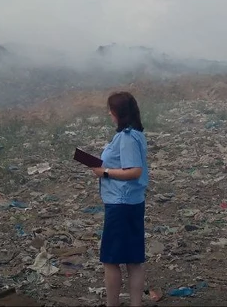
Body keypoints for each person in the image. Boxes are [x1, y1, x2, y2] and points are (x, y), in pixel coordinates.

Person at [88, 91, 149, 307]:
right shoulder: (135, 134)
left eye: (111, 110)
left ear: (118, 113)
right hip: (132, 202)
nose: (109, 114)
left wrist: (104, 172)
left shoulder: (127, 138)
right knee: (133, 259)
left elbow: (134, 171)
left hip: (121, 204)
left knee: (111, 260)